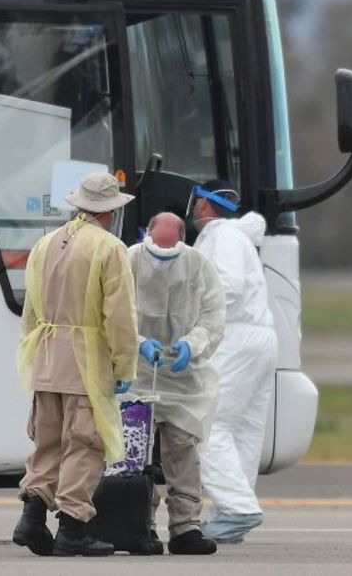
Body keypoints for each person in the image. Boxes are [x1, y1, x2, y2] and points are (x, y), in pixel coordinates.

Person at [12, 172, 138, 557]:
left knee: (47, 442)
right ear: (111, 211)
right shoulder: (109, 248)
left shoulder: (45, 244)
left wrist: (36, 354)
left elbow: (31, 309)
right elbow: (119, 317)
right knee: (85, 443)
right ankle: (73, 527)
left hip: (47, 355)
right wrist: (123, 365)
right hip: (86, 358)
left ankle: (32, 518)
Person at [129, 212, 225, 555]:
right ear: (147, 236)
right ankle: (139, 527)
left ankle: (185, 527)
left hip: (185, 380)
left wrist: (192, 344)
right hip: (138, 372)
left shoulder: (199, 265)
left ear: (182, 241)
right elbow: (113, 310)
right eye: (157, 249)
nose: (161, 259)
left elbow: (213, 316)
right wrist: (137, 341)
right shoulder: (130, 259)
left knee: (183, 451)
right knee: (134, 453)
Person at [189, 179, 277, 544]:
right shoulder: (237, 236)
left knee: (207, 426)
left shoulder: (221, 236)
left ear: (203, 205)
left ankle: (238, 508)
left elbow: (226, 286)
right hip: (260, 338)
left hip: (234, 338)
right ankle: (231, 514)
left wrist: (188, 324)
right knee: (242, 431)